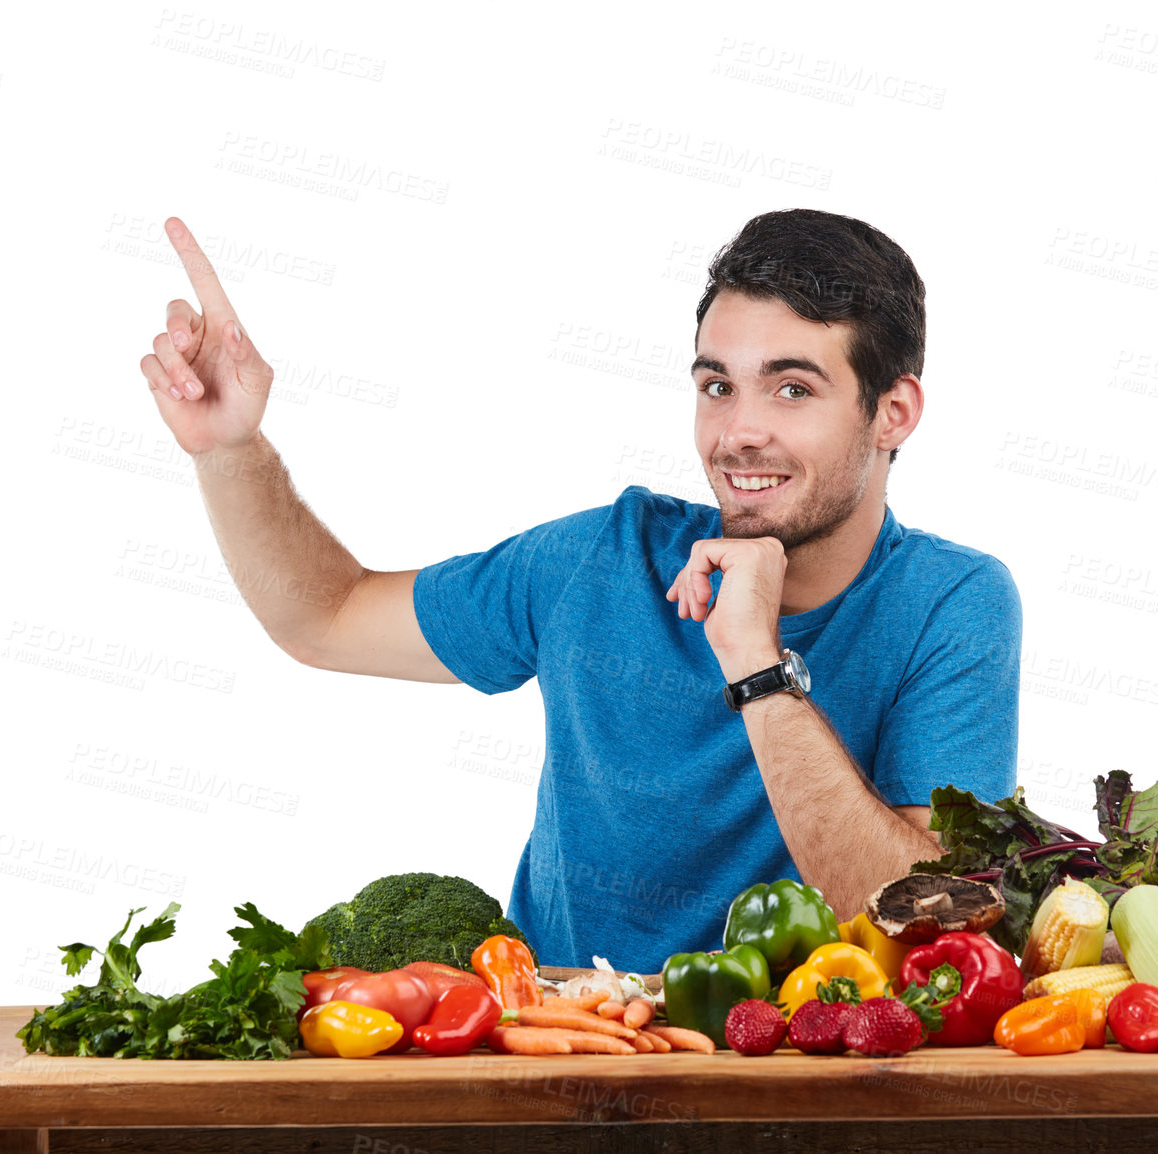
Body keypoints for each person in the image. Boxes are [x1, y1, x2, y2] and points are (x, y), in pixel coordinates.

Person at [136, 209, 1022, 974]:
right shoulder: (601, 560)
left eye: (793, 388)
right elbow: (323, 619)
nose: (739, 432)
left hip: (810, 1074)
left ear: (893, 412)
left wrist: (756, 663)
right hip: (568, 1061)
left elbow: (916, 923)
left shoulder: (954, 603)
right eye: (717, 385)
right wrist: (227, 448)